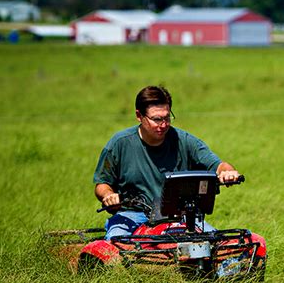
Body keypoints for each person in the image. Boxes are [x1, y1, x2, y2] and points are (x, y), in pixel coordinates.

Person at [93, 85, 240, 239]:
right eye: (157, 119)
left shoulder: (184, 141)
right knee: (114, 244)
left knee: (215, 244)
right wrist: (109, 196)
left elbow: (218, 165)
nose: (163, 125)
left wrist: (228, 172)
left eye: (167, 117)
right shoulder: (119, 143)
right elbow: (102, 184)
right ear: (139, 115)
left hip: (179, 217)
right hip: (132, 215)